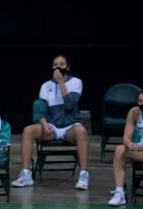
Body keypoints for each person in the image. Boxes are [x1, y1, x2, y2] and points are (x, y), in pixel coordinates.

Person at [12, 55, 89, 190]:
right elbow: (42, 112)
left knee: (81, 131)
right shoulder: (45, 86)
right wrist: (44, 124)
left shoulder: (77, 82)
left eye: (62, 64)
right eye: (55, 65)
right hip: (52, 127)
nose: (58, 67)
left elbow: (70, 105)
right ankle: (26, 174)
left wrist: (61, 83)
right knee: (28, 130)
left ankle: (83, 176)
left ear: (68, 67)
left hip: (70, 127)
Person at [108, 89, 143, 207]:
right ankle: (119, 193)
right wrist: (130, 144)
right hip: (137, 152)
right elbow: (126, 137)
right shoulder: (134, 112)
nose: (141, 104)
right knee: (120, 150)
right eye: (140, 101)